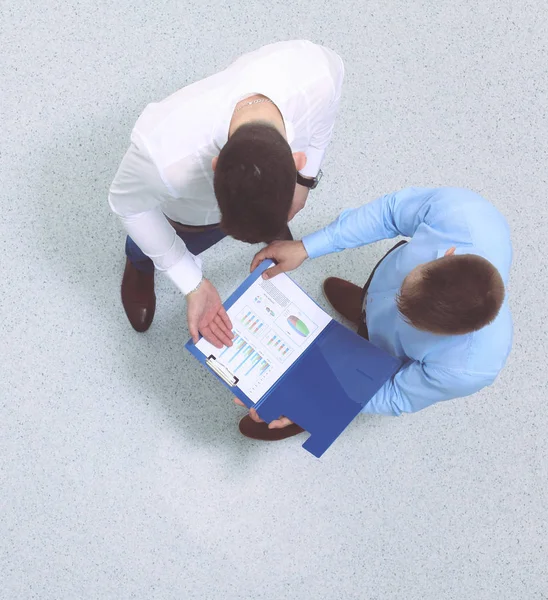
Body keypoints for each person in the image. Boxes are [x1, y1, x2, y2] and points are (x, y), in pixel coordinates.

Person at [108, 40, 344, 348]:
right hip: (188, 215)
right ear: (214, 166)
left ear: (296, 160)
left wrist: (304, 183)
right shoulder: (164, 155)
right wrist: (190, 281)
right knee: (161, 239)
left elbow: (322, 124)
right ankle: (140, 265)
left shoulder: (318, 75)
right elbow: (128, 205)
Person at [236, 187, 512, 441]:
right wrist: (307, 247)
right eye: (404, 288)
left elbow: (395, 396)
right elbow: (389, 214)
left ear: (454, 335)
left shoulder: (468, 368)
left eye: (410, 319)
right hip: (377, 286)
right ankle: (364, 310)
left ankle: (305, 412)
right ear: (447, 255)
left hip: (386, 360)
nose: (395, 304)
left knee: (318, 396)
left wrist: (313, 398)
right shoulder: (462, 213)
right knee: (371, 303)